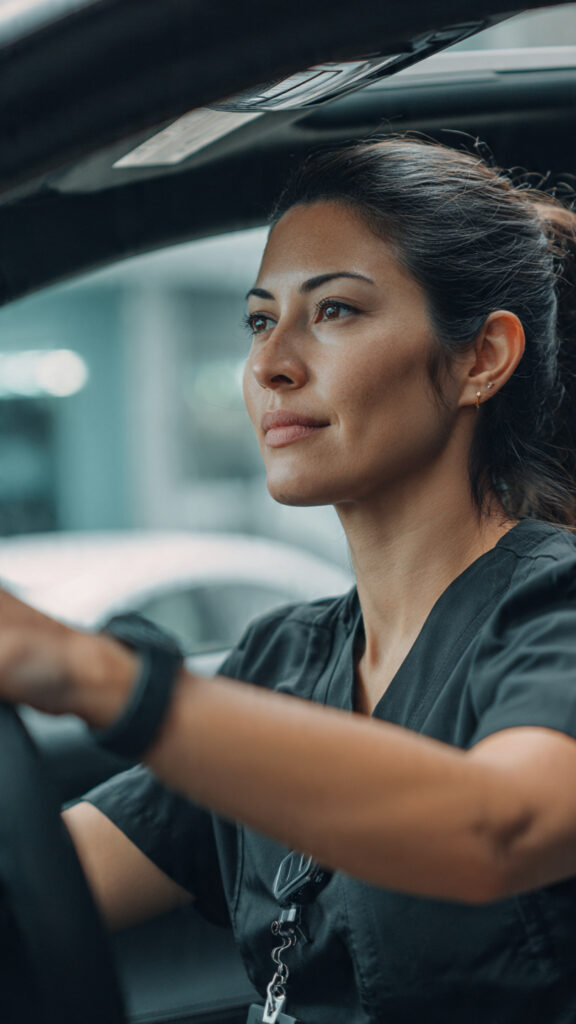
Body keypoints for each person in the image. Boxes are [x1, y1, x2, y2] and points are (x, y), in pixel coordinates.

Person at [2, 135, 576, 1023]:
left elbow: (497, 827)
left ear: (481, 359)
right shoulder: (285, 658)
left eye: (336, 311)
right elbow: (49, 880)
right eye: (261, 320)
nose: (271, 365)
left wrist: (89, 671)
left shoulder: (553, 609)